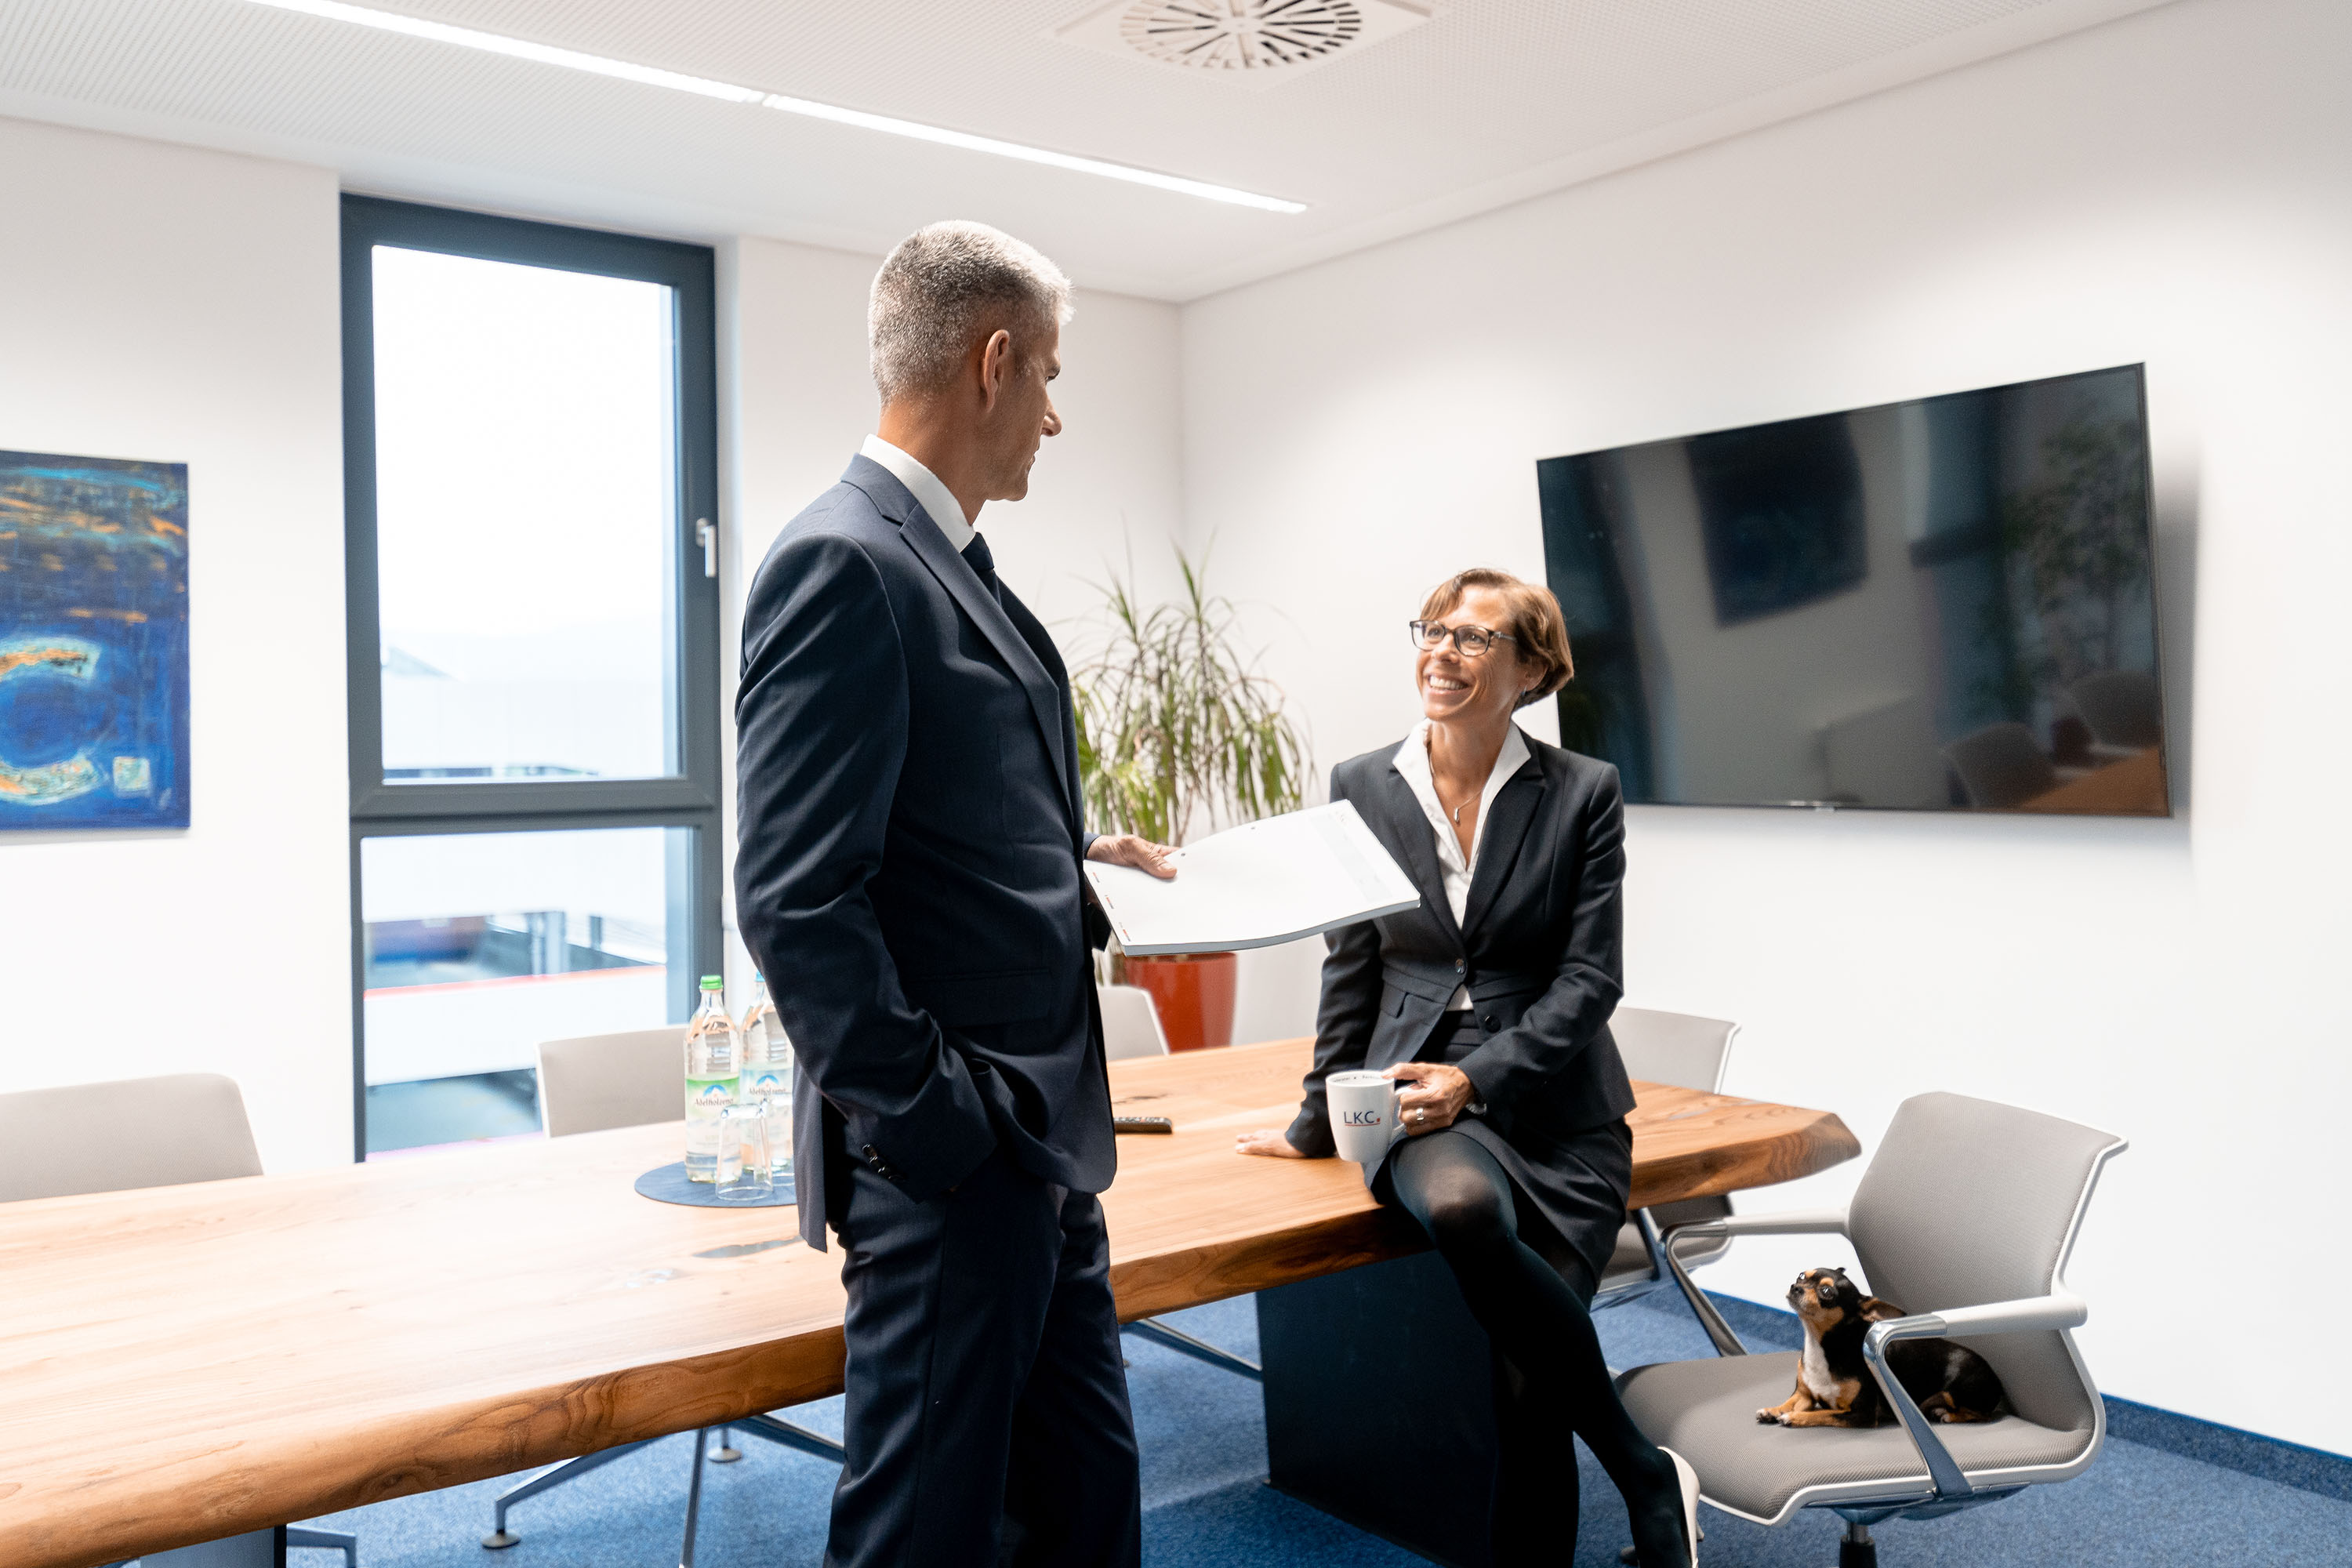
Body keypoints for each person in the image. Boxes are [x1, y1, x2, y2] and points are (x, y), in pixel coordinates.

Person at [735, 221, 1174, 1568]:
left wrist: (1076, 864)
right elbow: (796, 897)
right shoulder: (847, 564)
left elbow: (931, 817)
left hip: (1035, 1141)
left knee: (1082, 1510)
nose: (1055, 411)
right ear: (992, 363)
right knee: (922, 1531)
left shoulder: (950, 564)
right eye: (1045, 372)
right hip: (957, 1157)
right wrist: (937, 1118)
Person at [1235, 568, 1700, 1567]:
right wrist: (1315, 1119)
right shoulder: (1362, 782)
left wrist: (1480, 1076)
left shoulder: (1582, 791)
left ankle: (1635, 1498)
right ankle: (1640, 1465)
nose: (1442, 652)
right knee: (1458, 1209)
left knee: (1525, 1384)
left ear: (1532, 669)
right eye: (1433, 630)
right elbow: (1352, 960)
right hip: (1410, 1084)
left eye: (1475, 638)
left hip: (1558, 1104)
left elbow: (1590, 978)